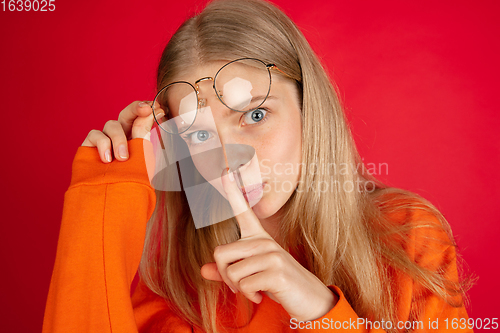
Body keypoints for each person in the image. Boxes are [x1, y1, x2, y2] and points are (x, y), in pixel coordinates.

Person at [42, 0, 475, 332]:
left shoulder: (404, 234)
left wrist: (319, 309)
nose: (229, 160)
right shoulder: (177, 286)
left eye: (254, 115)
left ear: (310, 108)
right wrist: (102, 194)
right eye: (198, 135)